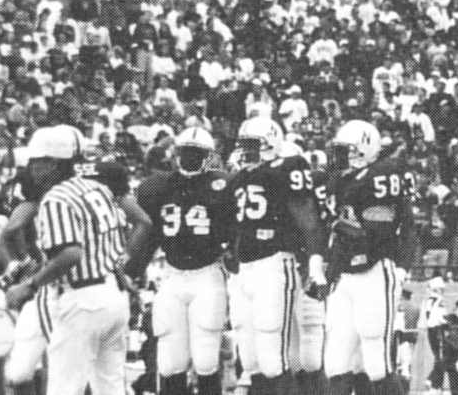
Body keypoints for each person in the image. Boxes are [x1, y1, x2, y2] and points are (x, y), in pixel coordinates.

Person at [4, 125, 129, 395]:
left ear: (55, 164)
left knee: (63, 389)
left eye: (38, 162)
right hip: (113, 295)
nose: (32, 168)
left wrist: (30, 285)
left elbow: (71, 254)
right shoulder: (97, 188)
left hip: (82, 300)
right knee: (110, 387)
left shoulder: (56, 198)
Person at [130, 126, 235, 395]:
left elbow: (234, 234)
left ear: (207, 155)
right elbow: (149, 237)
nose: (189, 157)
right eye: (185, 151)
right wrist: (132, 274)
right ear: (176, 153)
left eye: (195, 152)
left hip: (208, 273)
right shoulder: (157, 186)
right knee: (170, 361)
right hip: (173, 274)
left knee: (205, 359)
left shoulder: (223, 185)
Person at [228, 116, 326, 395]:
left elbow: (308, 220)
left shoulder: (287, 167)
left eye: (252, 145)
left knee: (274, 357)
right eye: (243, 145)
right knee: (251, 359)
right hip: (245, 272)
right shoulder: (240, 178)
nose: (246, 152)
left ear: (271, 144)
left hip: (274, 264)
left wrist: (315, 265)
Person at [324, 119, 417, 395]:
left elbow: (376, 230)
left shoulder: (383, 173)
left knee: (377, 361)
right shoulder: (343, 181)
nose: (340, 156)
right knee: (336, 362)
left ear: (364, 148)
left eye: (346, 150)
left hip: (375, 269)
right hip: (347, 276)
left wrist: (337, 224)